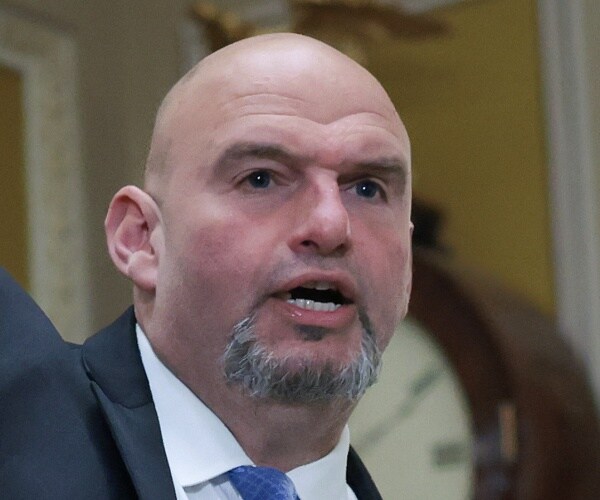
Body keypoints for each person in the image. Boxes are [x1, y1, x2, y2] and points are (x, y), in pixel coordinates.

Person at [0, 33, 412, 499]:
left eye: (367, 189)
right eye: (261, 179)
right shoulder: (18, 422)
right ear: (141, 239)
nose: (331, 224)